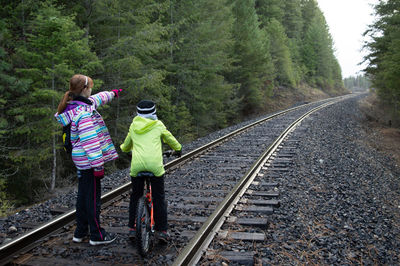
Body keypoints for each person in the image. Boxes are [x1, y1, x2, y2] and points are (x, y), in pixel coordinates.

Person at [55, 74, 122, 245]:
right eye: (90, 86)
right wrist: (98, 166)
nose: (92, 89)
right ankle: (96, 235)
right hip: (89, 161)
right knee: (92, 199)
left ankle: (80, 231)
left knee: (83, 195)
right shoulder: (83, 114)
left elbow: (98, 98)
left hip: (81, 160)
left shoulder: (75, 105)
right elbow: (90, 142)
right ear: (85, 89)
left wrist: (113, 93)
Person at [120, 100, 182, 243]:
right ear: (154, 112)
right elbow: (171, 140)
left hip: (137, 167)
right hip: (155, 167)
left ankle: (132, 228)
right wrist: (178, 149)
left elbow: (126, 145)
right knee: (159, 198)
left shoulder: (134, 126)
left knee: (135, 197)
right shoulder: (158, 125)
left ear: (138, 113)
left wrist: (124, 148)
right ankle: (162, 231)